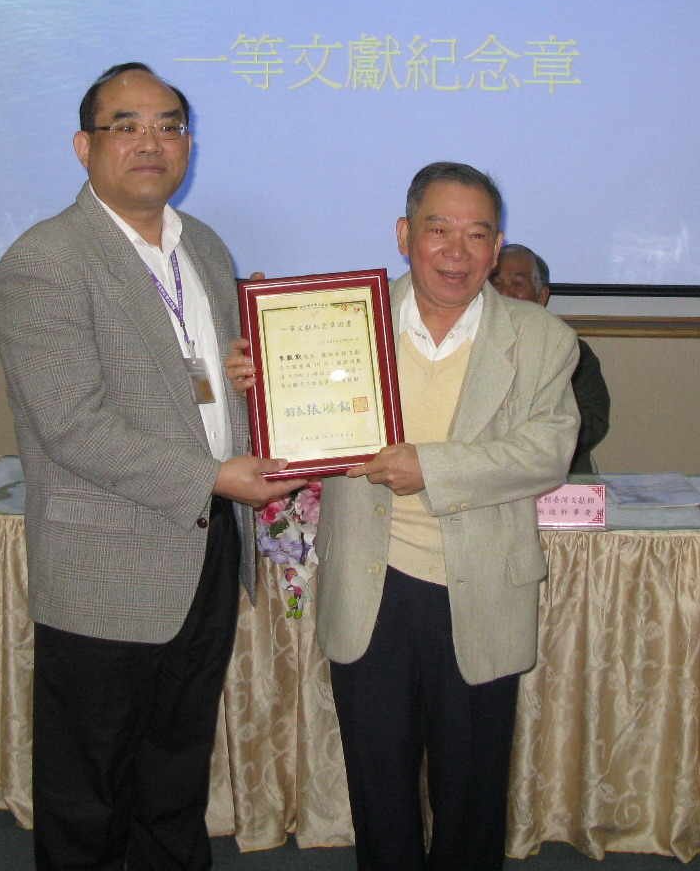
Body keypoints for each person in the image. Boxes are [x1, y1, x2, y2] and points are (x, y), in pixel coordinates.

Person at [0, 62, 298, 871]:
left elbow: (200, 384)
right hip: (105, 563)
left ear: (188, 144)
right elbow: (73, 426)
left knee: (173, 771)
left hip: (205, 553)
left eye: (168, 125)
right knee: (87, 788)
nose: (150, 142)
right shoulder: (47, 259)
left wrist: (254, 381)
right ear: (83, 146)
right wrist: (215, 476)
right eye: (126, 124)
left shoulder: (204, 245)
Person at [235, 162, 578, 871]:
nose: (457, 251)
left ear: (497, 244)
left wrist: (433, 467)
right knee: (379, 797)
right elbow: (295, 440)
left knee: (472, 798)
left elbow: (547, 452)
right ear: (404, 235)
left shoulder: (541, 337)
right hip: (372, 587)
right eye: (438, 230)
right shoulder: (339, 322)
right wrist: (261, 380)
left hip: (480, 588)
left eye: (477, 234)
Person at [490, 244, 612, 477]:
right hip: (481, 475)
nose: (503, 293)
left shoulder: (571, 350)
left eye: (517, 283)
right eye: (495, 282)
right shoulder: (464, 346)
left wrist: (527, 450)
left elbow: (592, 422)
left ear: (542, 296)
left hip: (555, 477)